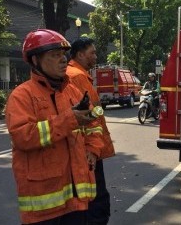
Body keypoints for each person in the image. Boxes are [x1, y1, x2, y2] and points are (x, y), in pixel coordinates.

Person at [5, 29, 104, 224]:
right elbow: (23, 136)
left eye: (63, 55)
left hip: (77, 199)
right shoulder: (21, 96)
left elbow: (94, 124)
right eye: (55, 55)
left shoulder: (72, 91)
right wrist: (69, 120)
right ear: (35, 61)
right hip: (44, 206)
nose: (63, 60)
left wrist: (93, 149)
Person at [66, 37, 114, 225]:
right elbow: (91, 112)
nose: (96, 56)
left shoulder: (77, 74)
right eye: (92, 52)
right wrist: (101, 109)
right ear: (79, 54)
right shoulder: (77, 76)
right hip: (89, 148)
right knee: (97, 197)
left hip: (85, 146)